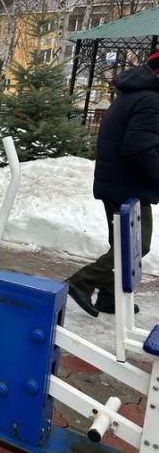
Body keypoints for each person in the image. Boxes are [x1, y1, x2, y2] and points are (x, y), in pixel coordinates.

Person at [65, 51, 159, 317]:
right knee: (136, 246)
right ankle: (81, 282)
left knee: (121, 243)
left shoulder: (132, 94)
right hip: (130, 187)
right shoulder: (151, 100)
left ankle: (109, 297)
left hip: (115, 183)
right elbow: (139, 150)